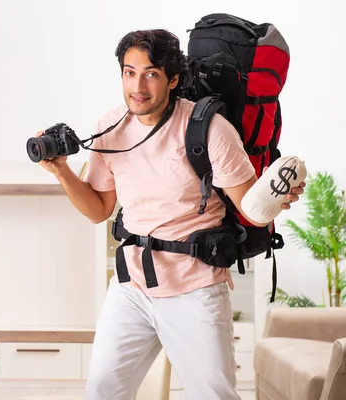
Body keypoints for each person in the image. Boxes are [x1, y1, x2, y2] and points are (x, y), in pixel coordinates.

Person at [34, 29, 305, 400]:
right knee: (102, 391)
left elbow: (251, 211)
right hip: (131, 286)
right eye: (129, 73)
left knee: (214, 395)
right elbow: (98, 209)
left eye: (151, 74)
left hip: (194, 287)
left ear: (174, 79)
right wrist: (62, 171)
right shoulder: (109, 128)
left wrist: (275, 199)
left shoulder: (208, 128)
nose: (138, 86)